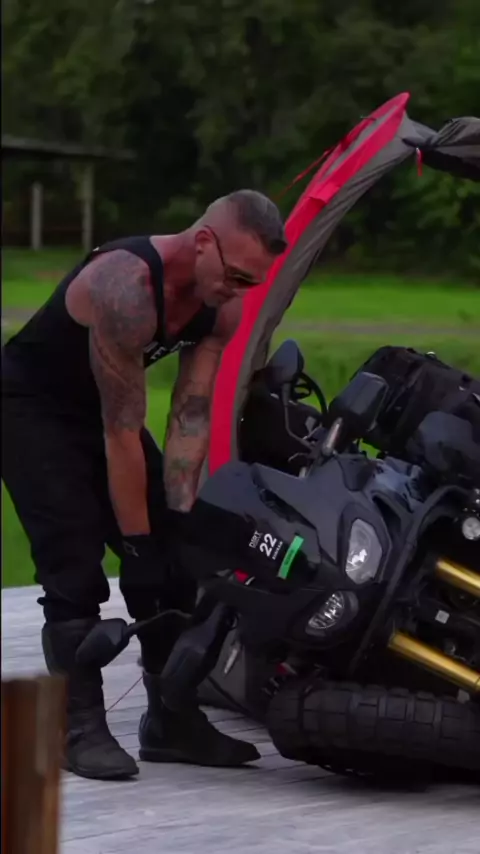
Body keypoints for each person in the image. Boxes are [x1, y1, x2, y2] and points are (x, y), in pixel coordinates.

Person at [2, 190, 287, 781]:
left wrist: (175, 519)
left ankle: (171, 721)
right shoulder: (126, 285)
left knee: (177, 557)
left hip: (104, 414)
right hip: (29, 408)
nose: (238, 291)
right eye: (235, 276)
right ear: (203, 242)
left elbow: (190, 417)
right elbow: (121, 433)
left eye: (251, 282)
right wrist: (134, 550)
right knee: (72, 557)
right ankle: (77, 727)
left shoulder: (221, 307)